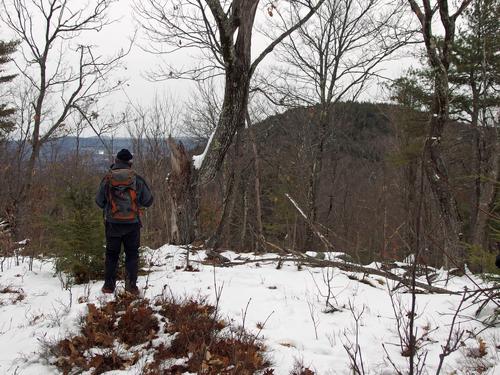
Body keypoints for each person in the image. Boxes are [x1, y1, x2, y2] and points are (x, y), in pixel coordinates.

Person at [95, 149, 153, 295]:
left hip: (112, 224)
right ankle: (131, 287)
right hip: (132, 224)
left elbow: (99, 201)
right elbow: (148, 200)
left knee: (111, 254)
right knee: (132, 254)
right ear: (130, 162)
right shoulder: (136, 179)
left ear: (116, 161)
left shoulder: (107, 179)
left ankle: (109, 286)